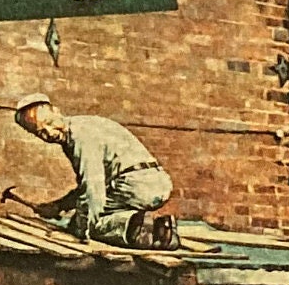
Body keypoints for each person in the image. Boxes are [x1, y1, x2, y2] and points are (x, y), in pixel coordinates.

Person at [13, 94, 177, 249]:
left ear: (56, 111)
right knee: (92, 212)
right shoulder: (83, 125)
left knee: (86, 222)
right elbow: (92, 185)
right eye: (40, 132)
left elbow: (93, 190)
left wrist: (79, 234)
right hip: (155, 183)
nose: (49, 133)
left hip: (137, 187)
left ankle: (137, 225)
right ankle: (159, 229)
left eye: (49, 122)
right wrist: (59, 206)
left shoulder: (80, 137)